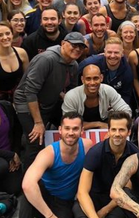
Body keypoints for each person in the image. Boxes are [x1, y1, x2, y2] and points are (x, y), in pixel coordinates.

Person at [73, 111, 139, 218]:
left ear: (128, 131)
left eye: (122, 130)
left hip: (116, 201)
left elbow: (127, 191)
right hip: (94, 198)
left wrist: (105, 211)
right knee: (79, 207)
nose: (117, 134)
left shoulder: (135, 155)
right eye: (114, 129)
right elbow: (82, 192)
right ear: (108, 131)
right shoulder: (96, 152)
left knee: (117, 215)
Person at [13, 33, 88, 167]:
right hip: (27, 103)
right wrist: (38, 122)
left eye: (81, 47)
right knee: (36, 142)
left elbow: (71, 91)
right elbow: (29, 91)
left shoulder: (74, 65)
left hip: (49, 102)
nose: (77, 49)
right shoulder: (46, 59)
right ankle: (28, 182)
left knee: (72, 123)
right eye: (74, 45)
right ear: (63, 43)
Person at [62, 64, 131, 129]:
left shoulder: (108, 90)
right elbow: (69, 123)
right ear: (82, 80)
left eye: (96, 78)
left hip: (106, 130)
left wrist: (113, 125)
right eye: (88, 79)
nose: (92, 83)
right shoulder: (71, 96)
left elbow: (126, 112)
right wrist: (97, 124)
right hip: (78, 134)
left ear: (101, 78)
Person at [78, 37, 135, 108]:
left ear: (122, 53)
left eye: (116, 52)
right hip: (90, 101)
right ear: (104, 52)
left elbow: (126, 95)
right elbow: (75, 75)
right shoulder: (90, 62)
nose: (112, 56)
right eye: (109, 52)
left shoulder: (127, 70)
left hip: (113, 103)